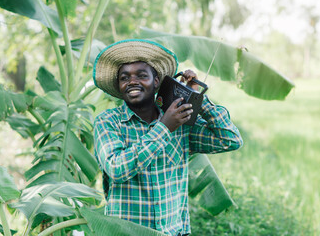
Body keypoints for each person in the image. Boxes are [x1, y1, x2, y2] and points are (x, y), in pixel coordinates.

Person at [92, 39, 243, 236]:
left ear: (156, 82)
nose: (132, 82)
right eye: (124, 78)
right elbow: (117, 168)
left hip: (173, 231)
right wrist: (164, 128)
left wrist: (197, 98)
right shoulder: (108, 122)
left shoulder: (180, 122)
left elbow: (230, 139)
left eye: (141, 75)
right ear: (119, 86)